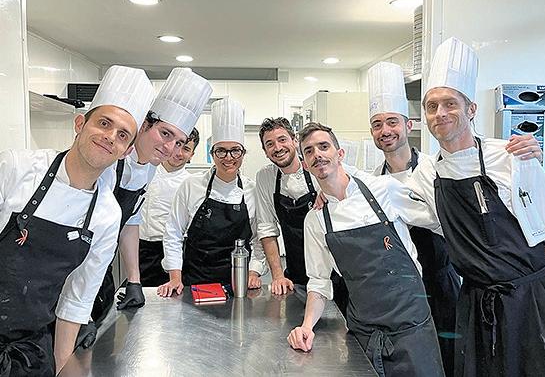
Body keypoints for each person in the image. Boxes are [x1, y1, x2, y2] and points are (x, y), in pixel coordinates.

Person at [408, 37, 545, 376]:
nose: (440, 113)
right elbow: (375, 194)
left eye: (450, 103)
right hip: (476, 307)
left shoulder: (513, 157)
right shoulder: (427, 174)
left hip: (533, 303)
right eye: (432, 106)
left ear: (471, 109)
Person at [0, 65, 155, 376]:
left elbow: (77, 300)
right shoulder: (16, 169)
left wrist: (59, 367)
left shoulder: (107, 215)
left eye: (122, 135)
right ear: (80, 123)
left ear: (125, 151)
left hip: (29, 351)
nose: (110, 137)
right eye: (104, 123)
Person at [287, 122, 445, 376]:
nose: (317, 154)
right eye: (309, 151)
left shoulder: (383, 189)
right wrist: (306, 326)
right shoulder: (315, 220)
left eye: (324, 146)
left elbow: (436, 220)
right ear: (305, 164)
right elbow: (318, 281)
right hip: (364, 331)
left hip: (412, 325)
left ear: (340, 154)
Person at [91, 68, 212, 321]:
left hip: (99, 266)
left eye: (179, 143)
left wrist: (134, 280)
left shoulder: (149, 166)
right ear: (144, 125)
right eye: (165, 134)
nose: (170, 148)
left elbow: (131, 219)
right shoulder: (110, 159)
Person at [365, 61, 461, 375]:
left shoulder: (437, 169)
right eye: (377, 125)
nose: (385, 131)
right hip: (400, 296)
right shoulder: (372, 184)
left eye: (392, 122)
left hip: (442, 287)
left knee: (448, 362)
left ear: (409, 126)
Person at [158, 97, 266, 297]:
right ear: (212, 153)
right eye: (221, 151)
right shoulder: (191, 186)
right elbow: (173, 233)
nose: (228, 158)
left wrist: (254, 272)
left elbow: (258, 240)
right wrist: (175, 277)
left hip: (238, 284)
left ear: (243, 154)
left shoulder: (252, 191)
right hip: (195, 282)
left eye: (235, 151)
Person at [254, 117, 349, 312]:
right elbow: (266, 228)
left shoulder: (317, 167)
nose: (277, 148)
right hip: (296, 275)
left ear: (294, 141)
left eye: (282, 140)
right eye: (269, 144)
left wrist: (328, 191)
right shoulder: (265, 177)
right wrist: (278, 276)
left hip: (335, 272)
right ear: (265, 151)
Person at [138, 128, 199, 287]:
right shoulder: (146, 171)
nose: (179, 153)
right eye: (178, 145)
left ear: (192, 155)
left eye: (186, 149)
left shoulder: (191, 184)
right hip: (143, 248)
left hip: (176, 250)